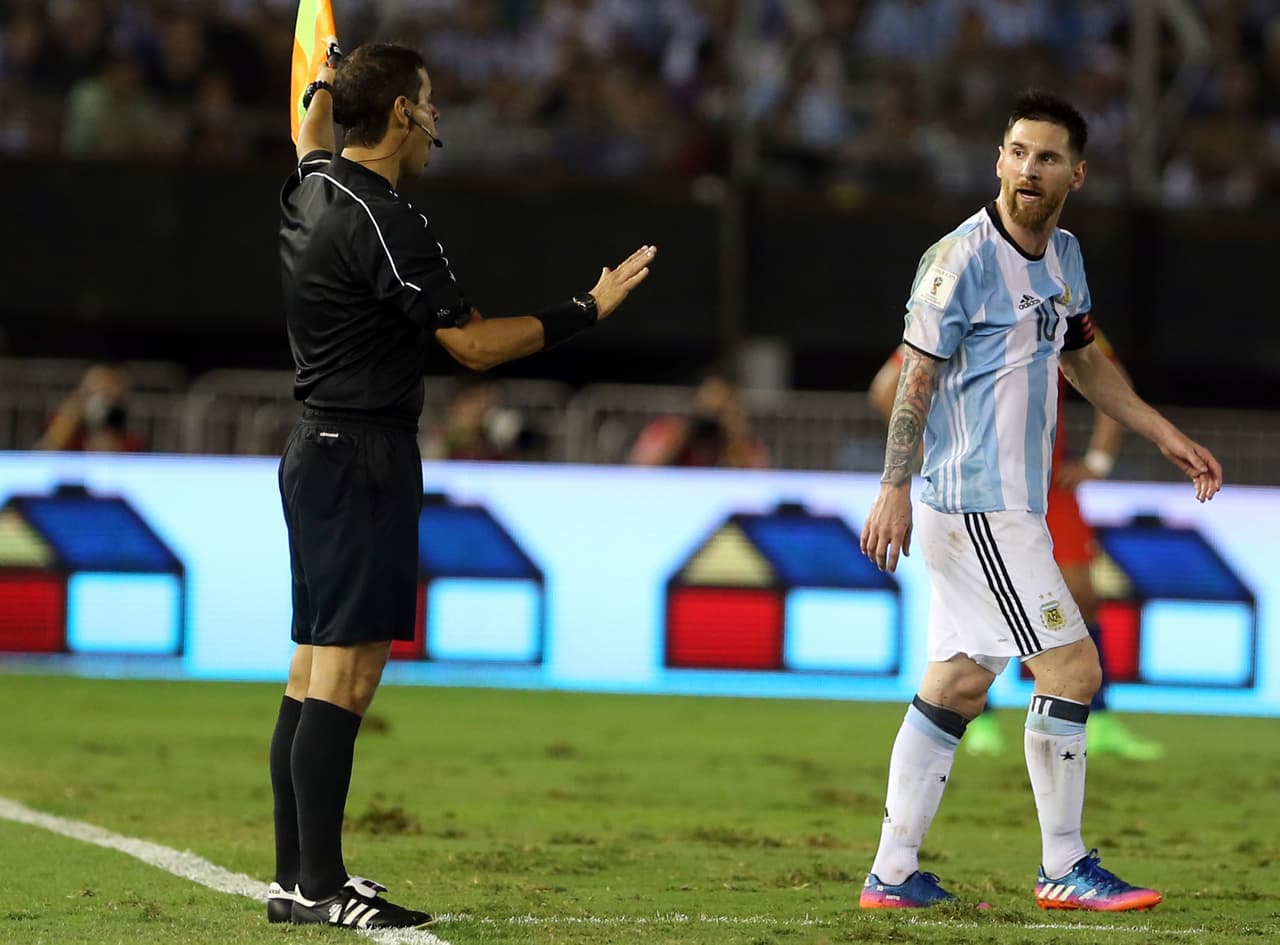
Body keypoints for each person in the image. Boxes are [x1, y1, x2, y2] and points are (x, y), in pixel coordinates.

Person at [271, 41, 656, 930]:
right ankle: (319, 887)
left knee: (309, 667)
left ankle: (302, 879)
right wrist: (587, 309)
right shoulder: (382, 217)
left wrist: (324, 78)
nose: (437, 118)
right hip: (361, 452)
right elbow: (474, 346)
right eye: (430, 102)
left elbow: (307, 133)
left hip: (316, 448)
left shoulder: (309, 184)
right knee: (346, 672)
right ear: (403, 113)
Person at [857, 90, 1222, 912]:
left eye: (1048, 156)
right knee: (1072, 665)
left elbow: (1085, 359)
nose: (1030, 168)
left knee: (954, 684)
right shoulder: (959, 258)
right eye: (1018, 151)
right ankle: (1063, 863)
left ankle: (891, 872)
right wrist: (891, 488)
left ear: (1076, 174)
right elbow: (911, 376)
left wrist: (1160, 431)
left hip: (1004, 508)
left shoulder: (1065, 257)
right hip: (976, 503)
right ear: (998, 160)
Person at [868, 340, 1164, 761]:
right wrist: (929, 456)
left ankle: (1098, 720)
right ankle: (981, 719)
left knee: (1083, 596)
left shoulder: (1059, 304)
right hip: (979, 489)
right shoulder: (961, 304)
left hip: (1046, 485)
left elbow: (1107, 375)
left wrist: (1098, 460)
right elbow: (888, 388)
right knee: (978, 607)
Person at [627, 369, 769, 468]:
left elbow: (758, 479)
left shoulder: (741, 439)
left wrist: (736, 436)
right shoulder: (670, 428)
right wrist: (677, 439)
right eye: (711, 398)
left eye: (723, 404)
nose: (715, 408)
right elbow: (640, 468)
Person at [34, 363, 145, 452]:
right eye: (92, 392)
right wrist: (70, 417)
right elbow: (42, 456)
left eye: (107, 393)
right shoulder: (63, 426)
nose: (100, 400)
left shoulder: (130, 440)